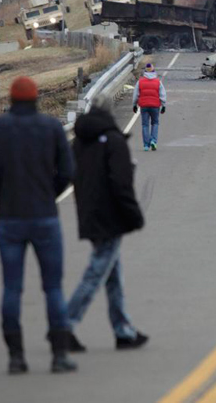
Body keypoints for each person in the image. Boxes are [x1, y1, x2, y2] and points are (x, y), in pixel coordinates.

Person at [0, 76, 77, 375]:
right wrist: (50, 194)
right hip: (44, 215)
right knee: (53, 288)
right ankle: (59, 355)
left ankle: (16, 357)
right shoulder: (51, 127)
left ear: (11, 99)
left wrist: (3, 194)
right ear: (36, 98)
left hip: (10, 217)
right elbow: (67, 171)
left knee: (11, 288)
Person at [66, 96, 148, 352]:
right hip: (110, 217)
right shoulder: (114, 141)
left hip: (88, 213)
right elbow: (121, 184)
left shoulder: (79, 142)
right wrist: (134, 215)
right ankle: (64, 325)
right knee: (96, 272)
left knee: (113, 275)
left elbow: (70, 176)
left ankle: (123, 330)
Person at [132, 63, 166, 152]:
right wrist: (164, 105)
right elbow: (162, 95)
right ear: (153, 71)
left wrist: (134, 105)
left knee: (145, 125)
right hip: (155, 106)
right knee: (155, 123)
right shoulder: (158, 82)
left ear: (145, 72)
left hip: (144, 106)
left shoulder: (140, 82)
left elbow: (136, 94)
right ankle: (153, 141)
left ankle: (146, 145)